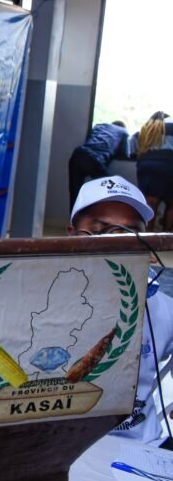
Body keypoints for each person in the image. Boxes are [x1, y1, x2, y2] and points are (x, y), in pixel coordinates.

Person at [68, 175, 173, 447]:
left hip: (141, 448)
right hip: (63, 450)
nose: (117, 243)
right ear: (72, 235)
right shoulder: (39, 307)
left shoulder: (162, 307)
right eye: (101, 229)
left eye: (131, 233)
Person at [68, 121, 131, 212]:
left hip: (78, 154)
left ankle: (74, 219)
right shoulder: (123, 131)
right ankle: (110, 215)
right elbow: (124, 153)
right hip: (93, 158)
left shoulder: (99, 126)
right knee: (114, 187)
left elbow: (91, 141)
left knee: (75, 194)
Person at [134, 111, 173, 231]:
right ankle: (167, 238)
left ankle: (146, 237)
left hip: (147, 166)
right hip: (170, 164)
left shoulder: (144, 130)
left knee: (150, 204)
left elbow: (133, 151)